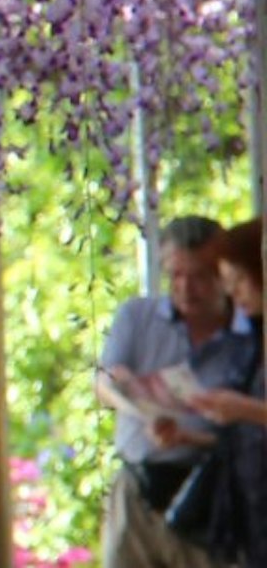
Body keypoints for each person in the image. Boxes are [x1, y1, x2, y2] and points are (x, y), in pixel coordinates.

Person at [117, 222, 267, 568]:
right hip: (243, 507)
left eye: (239, 282)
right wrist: (191, 436)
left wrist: (245, 409)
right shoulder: (254, 342)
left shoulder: (242, 340)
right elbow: (240, 442)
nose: (237, 294)